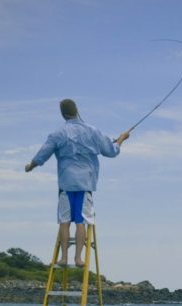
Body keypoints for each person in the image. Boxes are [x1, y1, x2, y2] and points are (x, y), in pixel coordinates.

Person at [25, 99, 130, 266]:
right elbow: (111, 151)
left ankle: (64, 258)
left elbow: (42, 155)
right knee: (81, 222)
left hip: (66, 184)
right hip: (85, 183)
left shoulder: (58, 133)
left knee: (64, 222)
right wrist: (121, 140)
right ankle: (78, 258)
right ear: (77, 110)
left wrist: (30, 166)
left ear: (62, 114)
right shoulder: (93, 131)